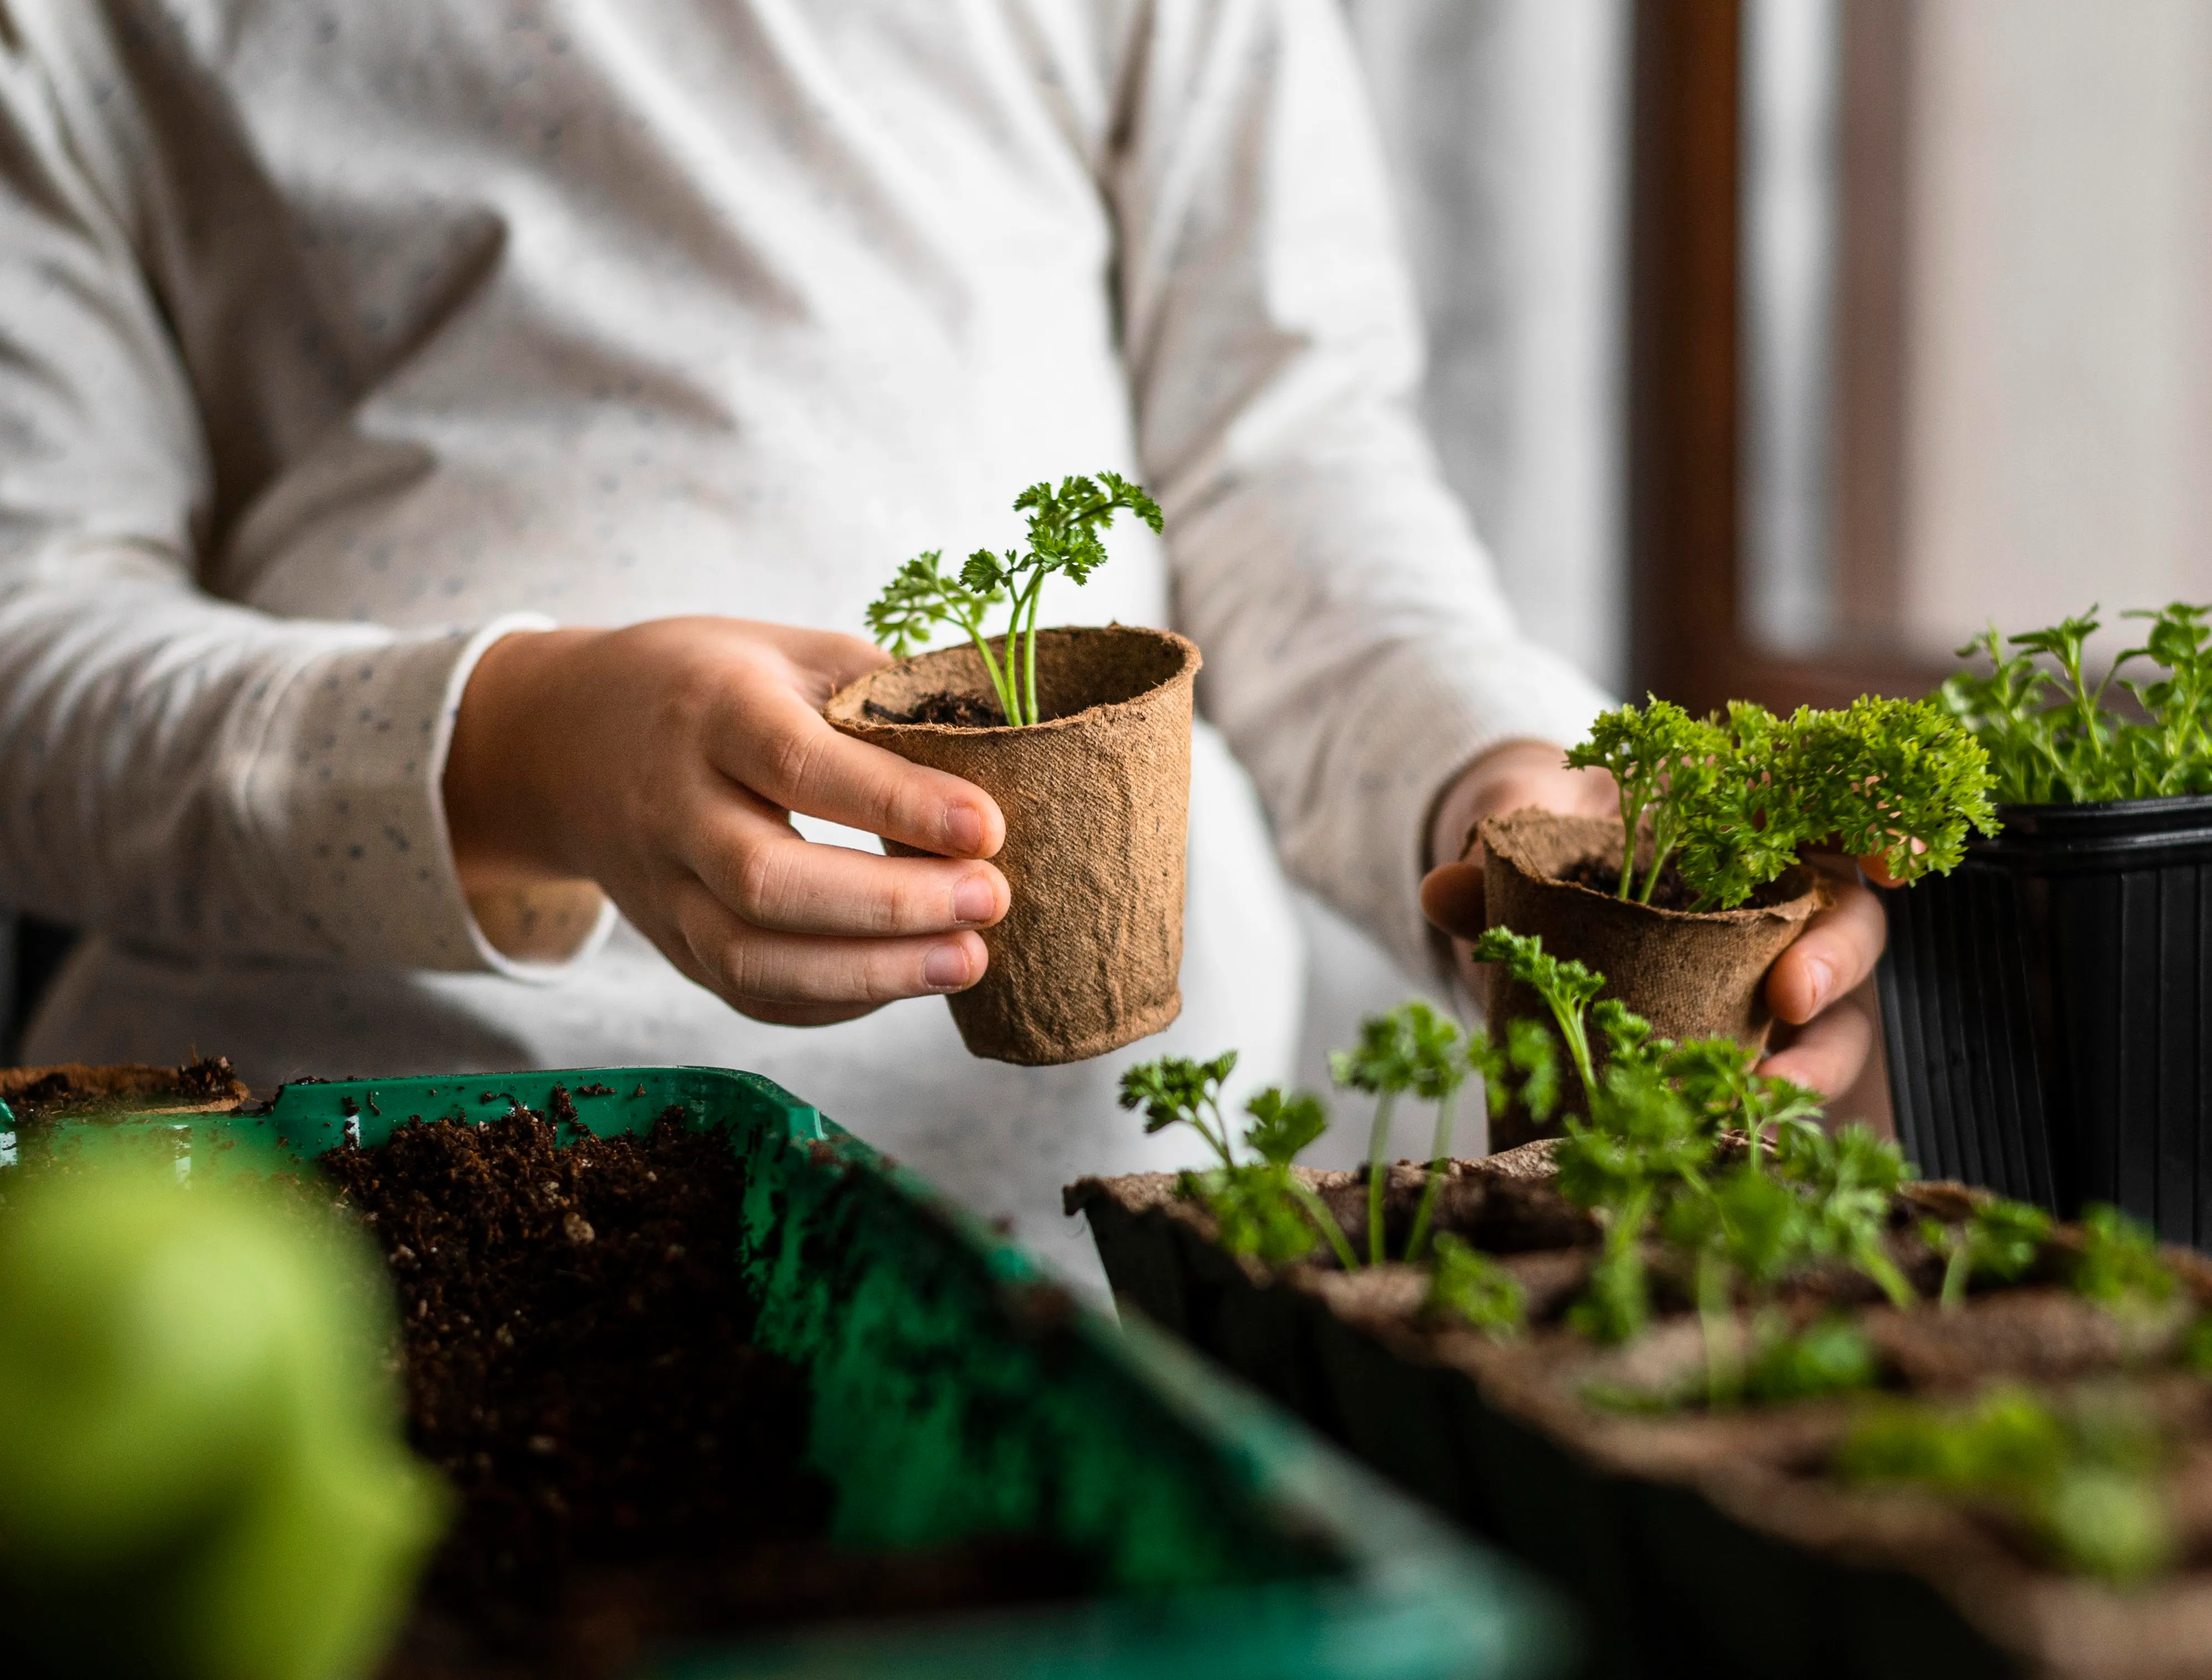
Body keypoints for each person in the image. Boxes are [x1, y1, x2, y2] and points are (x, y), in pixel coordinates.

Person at [0, 1, 1882, 1285]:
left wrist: (1514, 799)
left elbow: (1291, 475)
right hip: (332, 1206)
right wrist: (526, 747)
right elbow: (30, 656)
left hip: (1108, 1235)